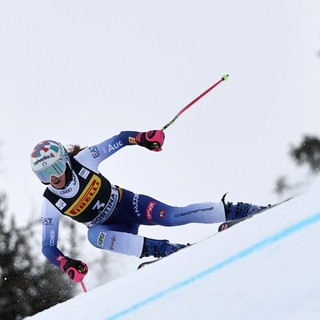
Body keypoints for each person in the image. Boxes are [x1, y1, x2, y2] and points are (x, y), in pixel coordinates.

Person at [30, 130, 266, 283]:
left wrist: (143, 138)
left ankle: (241, 211)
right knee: (94, 236)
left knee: (172, 216)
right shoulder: (51, 202)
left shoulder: (84, 160)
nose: (53, 178)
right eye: (43, 173)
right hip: (112, 229)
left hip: (128, 205)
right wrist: (67, 264)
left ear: (64, 161)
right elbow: (48, 247)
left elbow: (121, 138)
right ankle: (167, 250)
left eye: (54, 168)